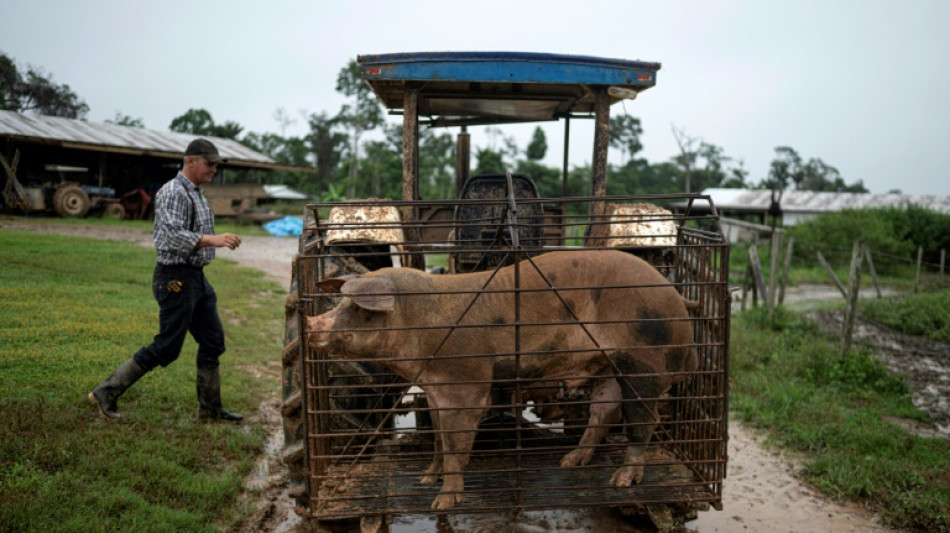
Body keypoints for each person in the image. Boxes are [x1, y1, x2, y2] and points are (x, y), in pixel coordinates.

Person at [89, 138, 243, 421]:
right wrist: (213, 240)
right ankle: (107, 391)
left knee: (213, 341)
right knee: (167, 346)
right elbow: (171, 236)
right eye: (209, 164)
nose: (214, 170)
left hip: (195, 277)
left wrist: (212, 242)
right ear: (191, 161)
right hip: (175, 278)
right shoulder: (173, 192)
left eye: (217, 165)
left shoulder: (196, 191)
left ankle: (210, 410)